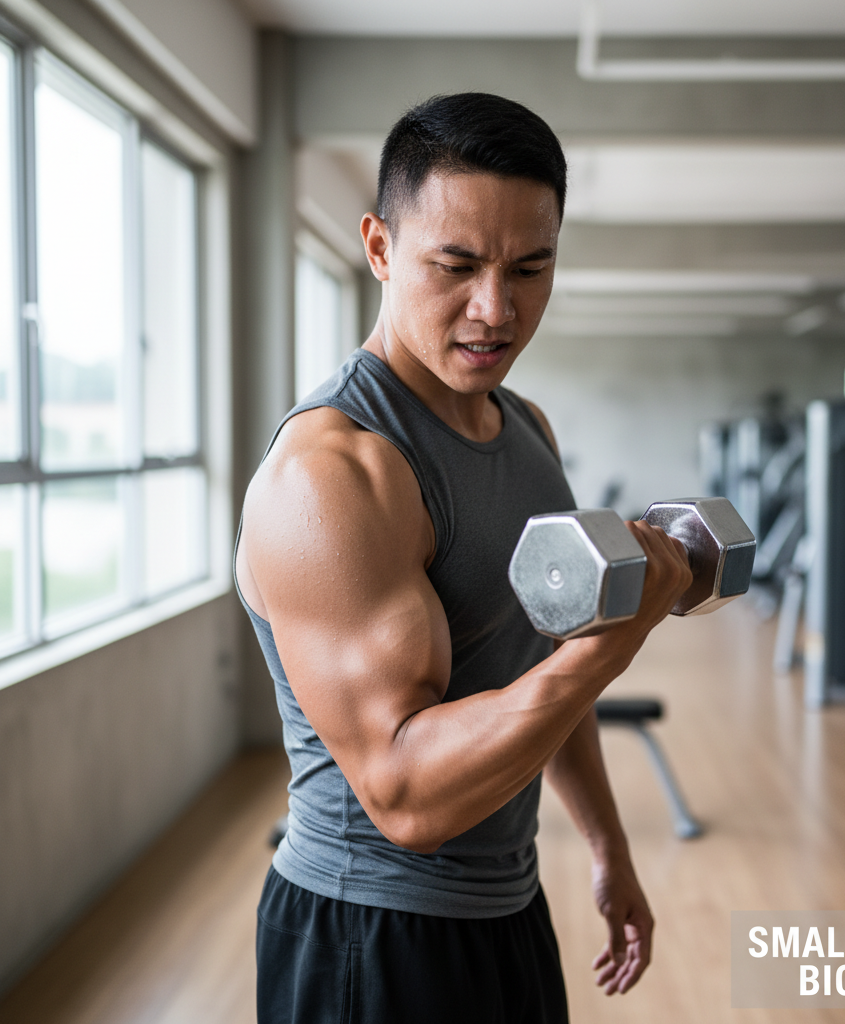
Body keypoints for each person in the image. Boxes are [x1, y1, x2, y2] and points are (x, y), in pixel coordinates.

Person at [235, 92, 692, 1023]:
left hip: (508, 907)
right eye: (456, 265)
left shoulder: (528, 430)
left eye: (530, 268)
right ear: (379, 248)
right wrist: (619, 640)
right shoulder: (332, 475)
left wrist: (606, 846)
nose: (496, 309)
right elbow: (405, 795)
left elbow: (540, 671)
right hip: (369, 933)